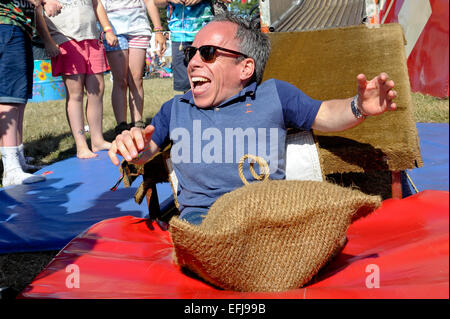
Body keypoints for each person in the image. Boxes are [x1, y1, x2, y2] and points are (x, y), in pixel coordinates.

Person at [108, 13, 398, 225]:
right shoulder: (177, 108)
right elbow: (144, 151)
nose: (193, 62)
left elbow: (325, 114)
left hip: (268, 213)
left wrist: (358, 106)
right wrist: (131, 147)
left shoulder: (274, 95)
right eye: (190, 53)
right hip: (204, 221)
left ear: (245, 67)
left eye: (208, 53)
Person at [39, 0, 116, 159]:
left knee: (98, 88)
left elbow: (97, 4)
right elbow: (37, 7)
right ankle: (81, 145)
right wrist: (48, 40)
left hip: (92, 37)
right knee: (75, 93)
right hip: (65, 38)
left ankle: (97, 140)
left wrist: (107, 29)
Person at [0, 0, 60, 186]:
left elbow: (36, 10)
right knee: (9, 97)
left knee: (19, 97)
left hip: (20, 27)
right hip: (6, 24)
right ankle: (10, 168)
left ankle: (18, 160)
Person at [99, 0, 166, 135]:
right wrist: (107, 30)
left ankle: (137, 122)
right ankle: (121, 125)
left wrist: (158, 30)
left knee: (136, 79)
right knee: (120, 80)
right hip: (114, 30)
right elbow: (98, 5)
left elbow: (149, 2)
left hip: (139, 28)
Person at [154, 0, 232, 93]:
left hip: (208, 34)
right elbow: (156, 2)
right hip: (179, 37)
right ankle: (190, 105)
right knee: (185, 84)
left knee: (211, 77)